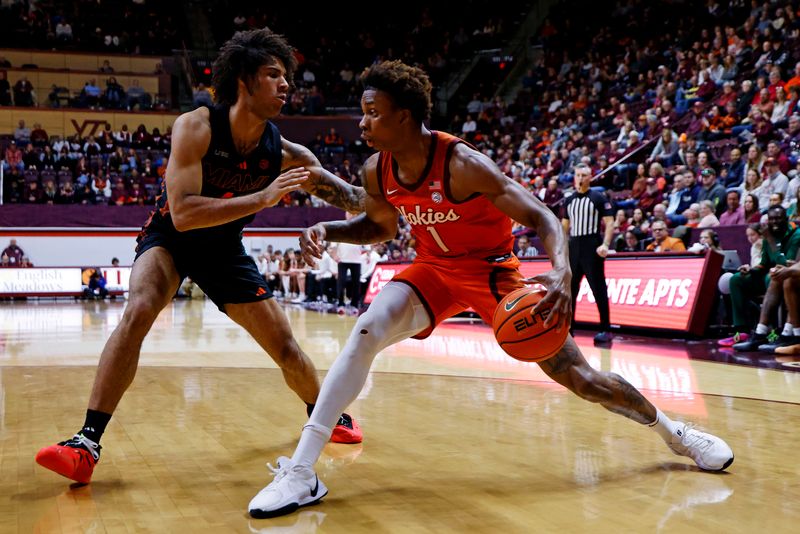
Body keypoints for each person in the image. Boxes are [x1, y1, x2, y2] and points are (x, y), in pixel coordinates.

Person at [247, 60, 733, 519]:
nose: (362, 122)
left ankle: (676, 433)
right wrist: (327, 229)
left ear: (406, 116)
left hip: (492, 274)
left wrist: (562, 269)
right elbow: (377, 227)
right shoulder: (378, 169)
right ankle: (303, 471)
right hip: (434, 271)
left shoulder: (463, 163)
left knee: (581, 379)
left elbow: (542, 216)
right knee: (367, 329)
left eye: (373, 113)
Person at [35, 28, 366, 486]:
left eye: (287, 75)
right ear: (245, 83)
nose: (286, 84)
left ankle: (328, 416)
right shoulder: (197, 126)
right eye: (273, 74)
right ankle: (86, 443)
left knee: (286, 347)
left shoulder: (287, 154)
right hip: (172, 238)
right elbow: (186, 214)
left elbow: (353, 198)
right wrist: (263, 198)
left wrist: (404, 182)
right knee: (140, 308)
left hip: (224, 250)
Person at [561, 163, 615, 344]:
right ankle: (569, 328)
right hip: (574, 246)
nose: (580, 178)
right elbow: (564, 228)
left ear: (590, 177)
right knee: (570, 290)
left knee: (598, 289)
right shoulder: (568, 200)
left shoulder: (598, 197)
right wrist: (562, 250)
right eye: (578, 175)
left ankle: (605, 329)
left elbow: (609, 222)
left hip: (592, 246)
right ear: (574, 177)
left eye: (584, 175)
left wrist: (606, 244)